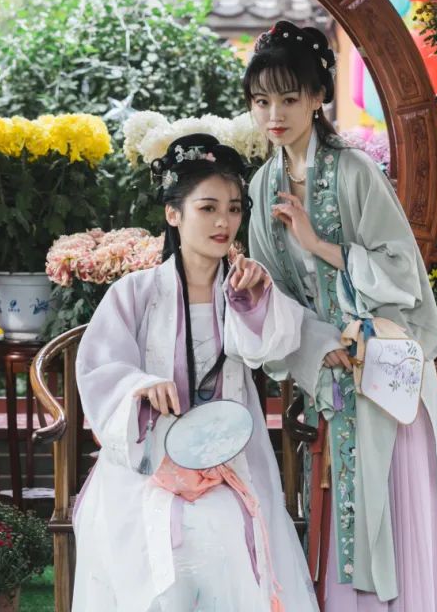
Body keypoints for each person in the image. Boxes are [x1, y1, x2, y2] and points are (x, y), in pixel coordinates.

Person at [245, 20, 437, 610]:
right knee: (342, 506)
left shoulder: (356, 172)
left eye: (289, 98)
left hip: (384, 366)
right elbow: (273, 294)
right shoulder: (262, 186)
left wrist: (318, 244)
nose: (274, 114)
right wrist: (317, 346)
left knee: (393, 502)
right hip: (329, 369)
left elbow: (402, 272)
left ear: (318, 97)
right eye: (261, 101)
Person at [71, 133, 320, 612]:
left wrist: (253, 301)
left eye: (233, 208)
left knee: (223, 530)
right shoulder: (135, 292)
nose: (223, 221)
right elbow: (101, 368)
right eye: (207, 208)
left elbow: (272, 350)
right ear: (173, 213)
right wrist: (142, 386)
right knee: (158, 554)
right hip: (149, 463)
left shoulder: (246, 284)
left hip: (230, 461)